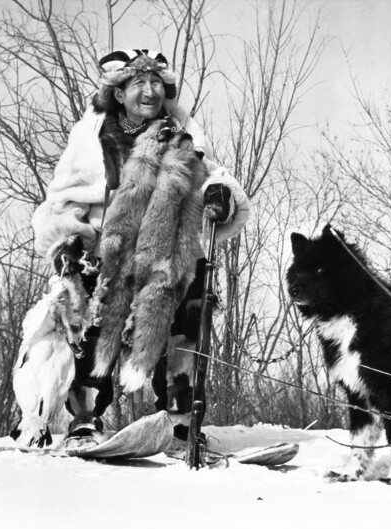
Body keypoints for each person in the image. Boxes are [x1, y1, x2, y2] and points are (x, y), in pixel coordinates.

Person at [29, 48, 250, 444]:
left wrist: (220, 196)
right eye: (138, 83)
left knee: (183, 329)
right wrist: (66, 241)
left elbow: (212, 175)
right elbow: (65, 197)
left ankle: (181, 417)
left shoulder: (181, 132)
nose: (149, 91)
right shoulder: (93, 136)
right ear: (118, 93)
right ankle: (85, 417)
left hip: (172, 251)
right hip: (107, 250)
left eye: (155, 83)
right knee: (93, 331)